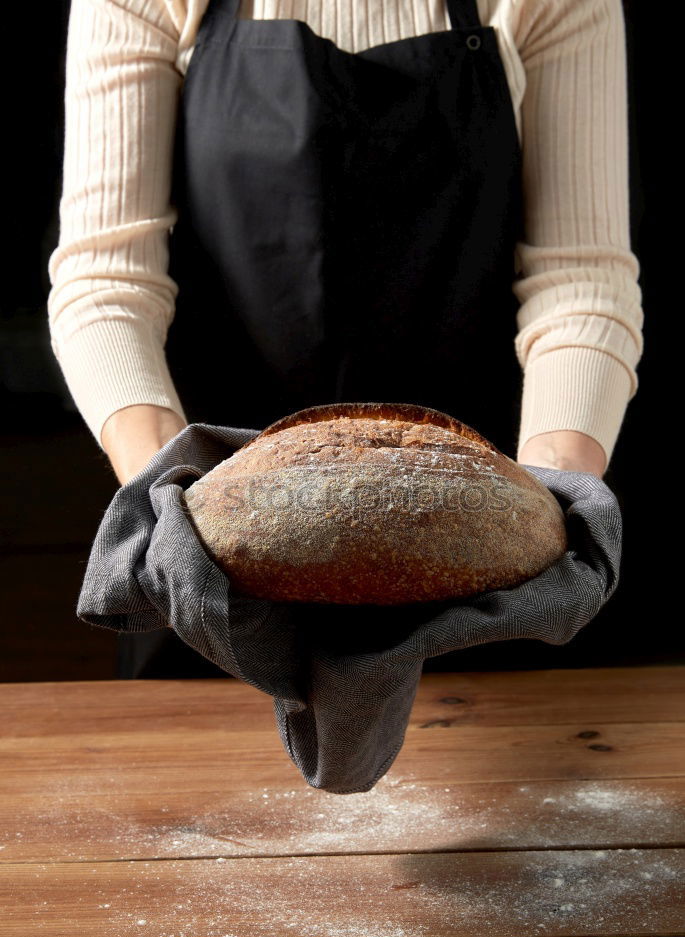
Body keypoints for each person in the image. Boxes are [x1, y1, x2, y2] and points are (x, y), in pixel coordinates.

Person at [47, 0, 643, 680]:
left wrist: (547, 501)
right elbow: (105, 278)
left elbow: (581, 278)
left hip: (484, 561)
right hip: (216, 567)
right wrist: (171, 502)